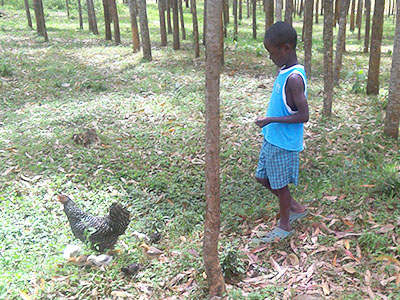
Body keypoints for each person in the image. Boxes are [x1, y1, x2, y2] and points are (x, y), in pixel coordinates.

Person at [255, 21, 309, 243]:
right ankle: (295, 207)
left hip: (283, 142)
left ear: (286, 48)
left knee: (279, 185)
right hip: (272, 137)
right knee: (262, 177)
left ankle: (285, 225)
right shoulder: (285, 71)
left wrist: (270, 119)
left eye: (273, 52)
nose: (271, 57)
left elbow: (304, 115)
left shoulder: (294, 78)